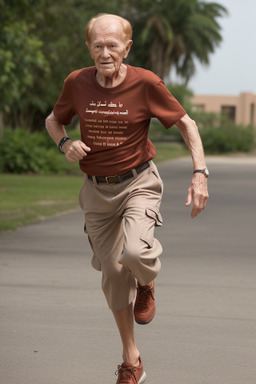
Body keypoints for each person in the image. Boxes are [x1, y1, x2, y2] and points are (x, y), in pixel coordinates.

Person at [45, 13, 209, 384]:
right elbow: (53, 120)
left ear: (127, 48)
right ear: (89, 47)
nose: (105, 53)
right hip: (96, 190)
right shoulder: (77, 82)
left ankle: (148, 281)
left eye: (112, 45)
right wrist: (65, 143)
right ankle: (131, 360)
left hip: (139, 182)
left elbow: (187, 124)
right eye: (97, 45)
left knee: (135, 254)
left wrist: (200, 174)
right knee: (114, 275)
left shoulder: (145, 83)